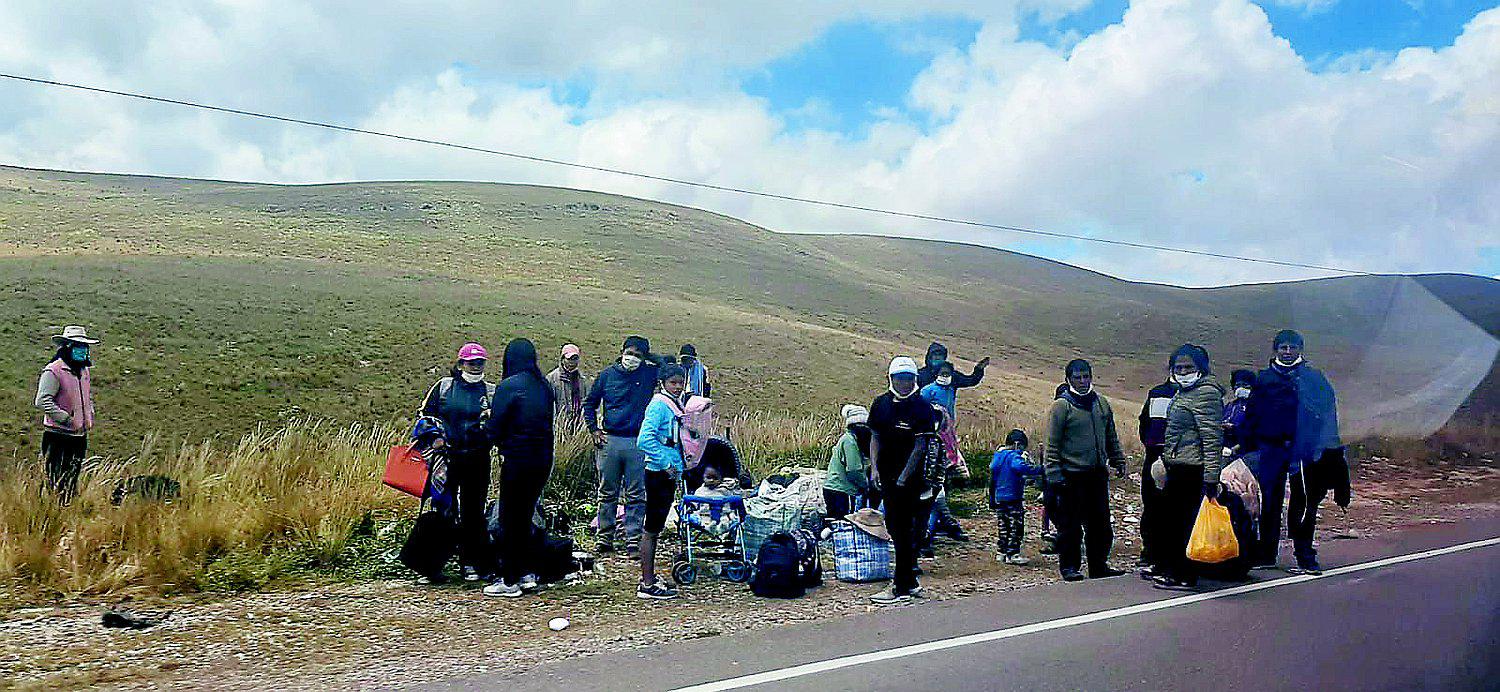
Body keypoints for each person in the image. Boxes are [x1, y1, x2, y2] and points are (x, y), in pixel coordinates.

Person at [1243, 330, 1342, 574]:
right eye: (1283, 347)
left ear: (1300, 349)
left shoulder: (1314, 378)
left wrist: (1326, 445)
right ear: (1275, 350)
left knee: (1303, 502)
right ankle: (1266, 553)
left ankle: (1305, 555)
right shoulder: (1264, 379)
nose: (1287, 352)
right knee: (1270, 502)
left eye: (1292, 347)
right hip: (1271, 448)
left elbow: (1328, 412)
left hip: (1304, 450)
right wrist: (1247, 446)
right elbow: (1252, 414)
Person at [482, 338, 557, 598]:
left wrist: (486, 432)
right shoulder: (544, 386)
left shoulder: (509, 386)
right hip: (543, 459)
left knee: (510, 517)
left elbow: (496, 427)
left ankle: (509, 578)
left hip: (517, 459)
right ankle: (527, 574)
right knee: (526, 516)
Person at [1043, 359, 1127, 582]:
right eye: (1077, 377)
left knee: (1100, 523)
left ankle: (1099, 564)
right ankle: (1070, 567)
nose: (1082, 381)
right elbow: (1052, 443)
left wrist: (1118, 459)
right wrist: (1053, 473)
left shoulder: (1101, 403)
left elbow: (1111, 436)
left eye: (1085, 376)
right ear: (1068, 379)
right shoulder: (1062, 406)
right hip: (1071, 474)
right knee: (1070, 525)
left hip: (1097, 473)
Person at [866, 356, 940, 605]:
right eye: (899, 379)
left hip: (909, 479)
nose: (904, 383)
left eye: (908, 379)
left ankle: (900, 584)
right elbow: (875, 437)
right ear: (891, 379)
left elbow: (920, 446)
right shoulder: (881, 404)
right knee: (896, 528)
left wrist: (904, 478)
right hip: (885, 475)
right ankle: (909, 581)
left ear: (915, 380)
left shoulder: (921, 407)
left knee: (905, 529)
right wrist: (874, 468)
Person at [1151, 344, 1226, 590]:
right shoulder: (1184, 392)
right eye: (1178, 367)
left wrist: (1211, 477)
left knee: (1185, 524)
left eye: (1188, 367)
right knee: (1174, 522)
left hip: (1193, 468)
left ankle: (1186, 574)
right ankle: (1173, 569)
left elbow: (1211, 437)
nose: (1183, 371)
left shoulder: (1205, 393)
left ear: (1200, 368)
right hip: (1177, 465)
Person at [421, 342, 497, 582]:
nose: (476, 366)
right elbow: (425, 416)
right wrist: (434, 439)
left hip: (478, 458)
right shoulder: (442, 387)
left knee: (473, 513)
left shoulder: (491, 392)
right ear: (460, 363)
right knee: (442, 508)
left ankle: (471, 564)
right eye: (471, 362)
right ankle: (433, 566)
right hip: (447, 459)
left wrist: (490, 437)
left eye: (480, 362)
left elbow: (499, 425)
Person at [582, 336, 659, 557]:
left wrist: (649, 356)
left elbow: (670, 364)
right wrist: (594, 430)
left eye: (638, 355)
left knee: (636, 493)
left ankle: (633, 540)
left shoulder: (648, 374)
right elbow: (590, 403)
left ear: (644, 358)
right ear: (621, 351)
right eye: (629, 353)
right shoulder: (607, 375)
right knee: (607, 492)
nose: (632, 358)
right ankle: (604, 538)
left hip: (638, 441)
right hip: (610, 439)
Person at [635, 364, 690, 600]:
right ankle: (647, 584)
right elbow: (644, 439)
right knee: (652, 527)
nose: (677, 387)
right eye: (673, 383)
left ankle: (649, 576)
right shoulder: (659, 405)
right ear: (663, 383)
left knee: (655, 527)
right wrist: (665, 463)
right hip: (659, 472)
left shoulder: (674, 403)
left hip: (669, 469)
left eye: (680, 382)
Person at [35, 325, 100, 502]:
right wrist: (66, 419)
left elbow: (87, 396)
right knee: (54, 480)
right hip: (58, 436)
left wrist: (89, 414)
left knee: (71, 480)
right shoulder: (53, 371)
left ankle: (67, 512)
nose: (83, 350)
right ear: (68, 347)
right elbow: (42, 400)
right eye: (79, 346)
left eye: (84, 346)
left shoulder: (83, 371)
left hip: (79, 436)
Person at [1134, 373, 1178, 574]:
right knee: (1152, 505)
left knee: (1177, 508)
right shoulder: (1157, 393)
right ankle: (1151, 551)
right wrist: (1151, 447)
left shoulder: (1198, 395)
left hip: (1182, 460)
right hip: (1155, 456)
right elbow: (1145, 424)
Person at [991, 429, 1042, 565]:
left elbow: (993, 469)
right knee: (1016, 526)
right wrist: (1037, 469)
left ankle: (1001, 551)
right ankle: (1013, 553)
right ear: (1017, 444)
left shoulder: (998, 456)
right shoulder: (1014, 456)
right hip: (1013, 496)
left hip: (1000, 496)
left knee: (1003, 525)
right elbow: (1019, 467)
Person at [823, 404, 872, 518]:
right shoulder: (850, 441)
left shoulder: (850, 439)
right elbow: (853, 470)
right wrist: (866, 486)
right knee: (842, 524)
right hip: (841, 490)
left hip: (834, 488)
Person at [545, 343, 593, 431]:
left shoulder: (583, 380)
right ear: (562, 359)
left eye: (575, 359)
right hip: (558, 427)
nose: (572, 362)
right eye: (569, 359)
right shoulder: (552, 379)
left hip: (578, 426)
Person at [1221, 369, 1255, 453]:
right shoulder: (1230, 405)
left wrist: (1235, 428)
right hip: (1226, 448)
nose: (1241, 388)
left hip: (1245, 449)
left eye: (1245, 385)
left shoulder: (1256, 406)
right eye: (1238, 385)